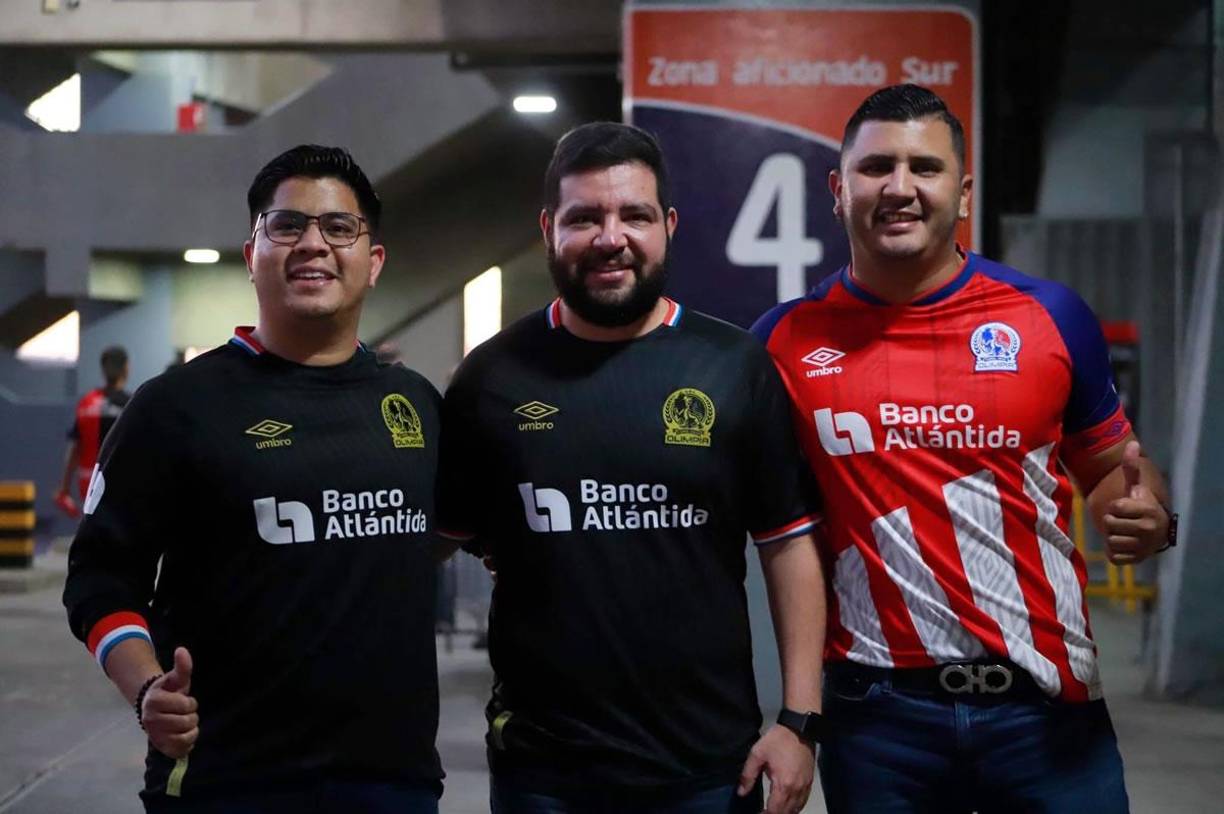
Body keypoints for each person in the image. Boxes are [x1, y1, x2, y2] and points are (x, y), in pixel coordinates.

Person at [752, 84, 1175, 813]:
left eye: (925, 167)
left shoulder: (1050, 315)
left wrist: (1148, 514)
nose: (900, 187)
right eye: (876, 166)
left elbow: (1112, 468)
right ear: (837, 187)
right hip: (878, 719)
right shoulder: (783, 341)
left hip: (1047, 708)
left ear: (964, 190)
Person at [437, 122, 827, 814]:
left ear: (667, 226)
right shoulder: (491, 379)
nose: (610, 237)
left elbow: (789, 544)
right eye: (585, 217)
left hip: (708, 769)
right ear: (549, 228)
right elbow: (429, 544)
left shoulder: (733, 366)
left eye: (634, 215)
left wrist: (800, 721)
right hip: (543, 772)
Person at [63, 145, 445, 813]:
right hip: (228, 781)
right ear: (251, 255)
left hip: (393, 783)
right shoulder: (176, 406)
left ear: (373, 261)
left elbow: (445, 530)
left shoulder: (416, 404)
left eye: (338, 227)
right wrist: (149, 689)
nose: (312, 244)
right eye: (287, 225)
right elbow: (99, 577)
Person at [54, 345, 130, 518]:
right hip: (118, 483)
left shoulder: (86, 403)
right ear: (126, 368)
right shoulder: (129, 405)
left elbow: (74, 449)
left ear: (103, 370)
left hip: (87, 483)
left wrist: (65, 487)